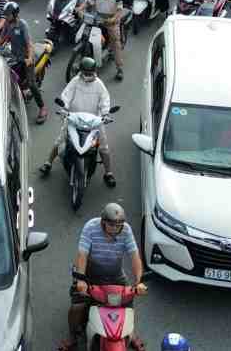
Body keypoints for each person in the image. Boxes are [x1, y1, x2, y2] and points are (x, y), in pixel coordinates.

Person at [60, 203, 146, 351]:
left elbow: (135, 257)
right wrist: (81, 279)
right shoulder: (90, 227)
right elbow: (82, 255)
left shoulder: (126, 230)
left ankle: (130, 333)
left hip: (115, 275)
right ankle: (72, 336)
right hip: (88, 273)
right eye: (111, 225)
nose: (114, 229)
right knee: (78, 306)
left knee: (128, 303)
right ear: (103, 222)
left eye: (118, 225)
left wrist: (139, 282)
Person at [39, 57, 117, 186]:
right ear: (81, 71)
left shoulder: (99, 84)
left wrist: (105, 114)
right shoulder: (75, 82)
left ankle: (108, 173)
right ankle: (48, 163)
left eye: (90, 73)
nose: (87, 76)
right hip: (74, 119)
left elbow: (105, 100)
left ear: (94, 71)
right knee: (60, 140)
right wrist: (64, 108)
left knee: (103, 146)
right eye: (85, 73)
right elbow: (66, 96)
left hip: (94, 121)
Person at [2, 2, 46, 122]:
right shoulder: (7, 24)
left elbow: (29, 44)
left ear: (15, 15)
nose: (6, 17)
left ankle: (42, 108)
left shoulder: (22, 25)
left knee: (32, 84)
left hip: (26, 57)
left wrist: (29, 58)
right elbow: (3, 38)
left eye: (8, 15)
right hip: (15, 56)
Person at [80, 0, 127, 78]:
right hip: (97, 18)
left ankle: (119, 68)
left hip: (111, 20)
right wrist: (80, 8)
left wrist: (113, 19)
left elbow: (119, 10)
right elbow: (88, 2)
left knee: (115, 42)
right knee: (85, 33)